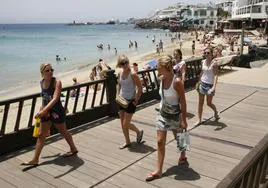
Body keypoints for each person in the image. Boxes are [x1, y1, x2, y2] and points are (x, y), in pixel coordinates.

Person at [21, 63, 78, 166]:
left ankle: (73, 149)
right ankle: (35, 159)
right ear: (42, 73)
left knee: (63, 131)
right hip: (46, 113)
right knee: (41, 135)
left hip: (57, 112)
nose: (50, 72)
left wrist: (43, 111)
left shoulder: (57, 82)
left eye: (51, 70)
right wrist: (42, 108)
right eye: (47, 70)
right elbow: (44, 97)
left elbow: (55, 99)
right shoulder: (41, 82)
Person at [145, 55, 188, 181]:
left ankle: (183, 155)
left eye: (159, 68)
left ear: (166, 68)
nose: (157, 70)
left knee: (179, 137)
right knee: (159, 141)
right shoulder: (161, 79)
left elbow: (183, 102)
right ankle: (158, 170)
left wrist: (184, 120)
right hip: (162, 113)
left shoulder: (177, 81)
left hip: (175, 114)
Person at [116, 55, 144, 149]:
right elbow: (119, 85)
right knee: (122, 123)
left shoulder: (132, 74)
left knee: (125, 124)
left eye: (126, 62)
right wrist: (117, 95)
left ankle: (138, 131)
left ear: (128, 62)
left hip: (130, 101)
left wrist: (135, 100)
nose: (125, 65)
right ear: (120, 65)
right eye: (122, 63)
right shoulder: (120, 73)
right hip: (121, 100)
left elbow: (140, 88)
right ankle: (127, 142)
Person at [195, 48, 219, 125]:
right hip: (202, 84)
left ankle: (215, 111)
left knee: (209, 103)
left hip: (209, 85)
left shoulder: (214, 63)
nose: (206, 54)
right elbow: (202, 72)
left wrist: (213, 87)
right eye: (205, 53)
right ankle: (199, 120)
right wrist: (198, 82)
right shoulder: (203, 62)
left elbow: (216, 76)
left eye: (208, 53)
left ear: (212, 54)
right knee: (200, 103)